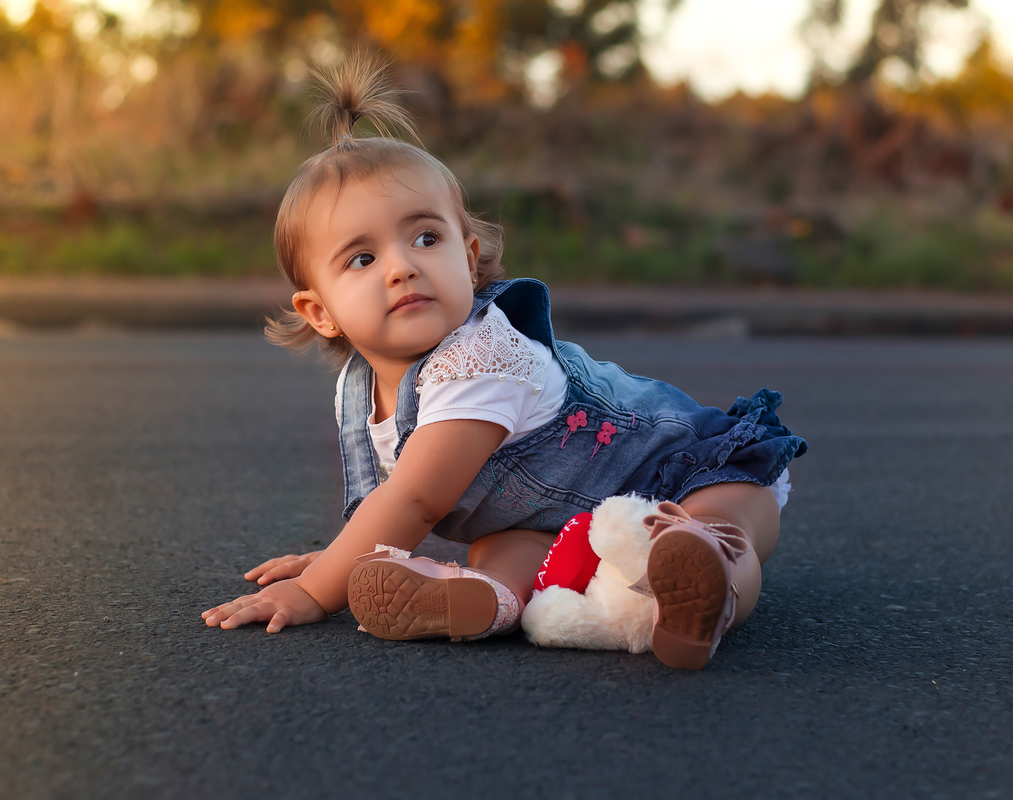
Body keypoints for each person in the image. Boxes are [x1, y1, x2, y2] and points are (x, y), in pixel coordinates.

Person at [201, 55, 806, 670]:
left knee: (722, 525)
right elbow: (388, 499)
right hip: (549, 520)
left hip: (689, 470)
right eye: (361, 259)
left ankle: (703, 588)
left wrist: (315, 589)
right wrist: (346, 559)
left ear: (469, 259)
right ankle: (481, 598)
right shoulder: (359, 388)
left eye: (425, 238)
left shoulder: (482, 359)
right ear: (320, 311)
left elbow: (414, 501)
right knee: (502, 548)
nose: (402, 265)